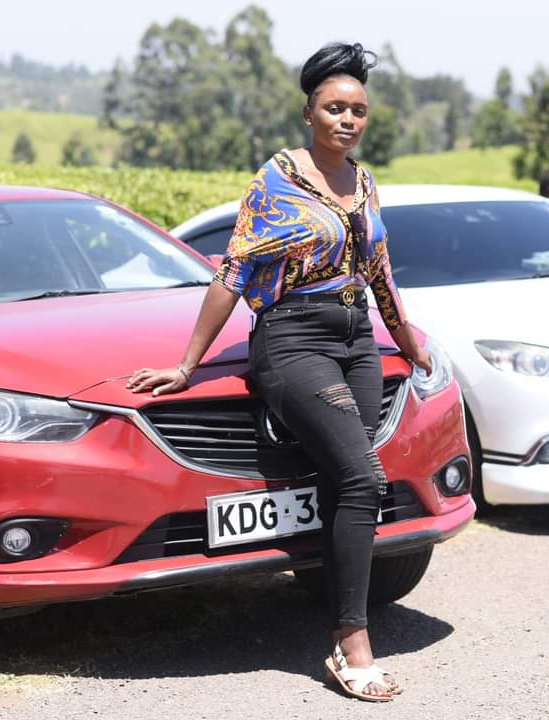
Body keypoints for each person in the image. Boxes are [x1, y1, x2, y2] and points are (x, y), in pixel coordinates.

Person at [126, 42, 432, 703]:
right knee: (363, 478)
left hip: (357, 339)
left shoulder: (365, 181)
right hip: (293, 341)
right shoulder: (276, 180)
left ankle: (331, 605)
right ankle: (352, 644)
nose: (348, 120)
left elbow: (378, 270)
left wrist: (406, 338)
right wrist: (187, 364)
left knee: (344, 481)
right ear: (308, 112)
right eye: (335, 108)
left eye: (358, 110)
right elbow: (233, 272)